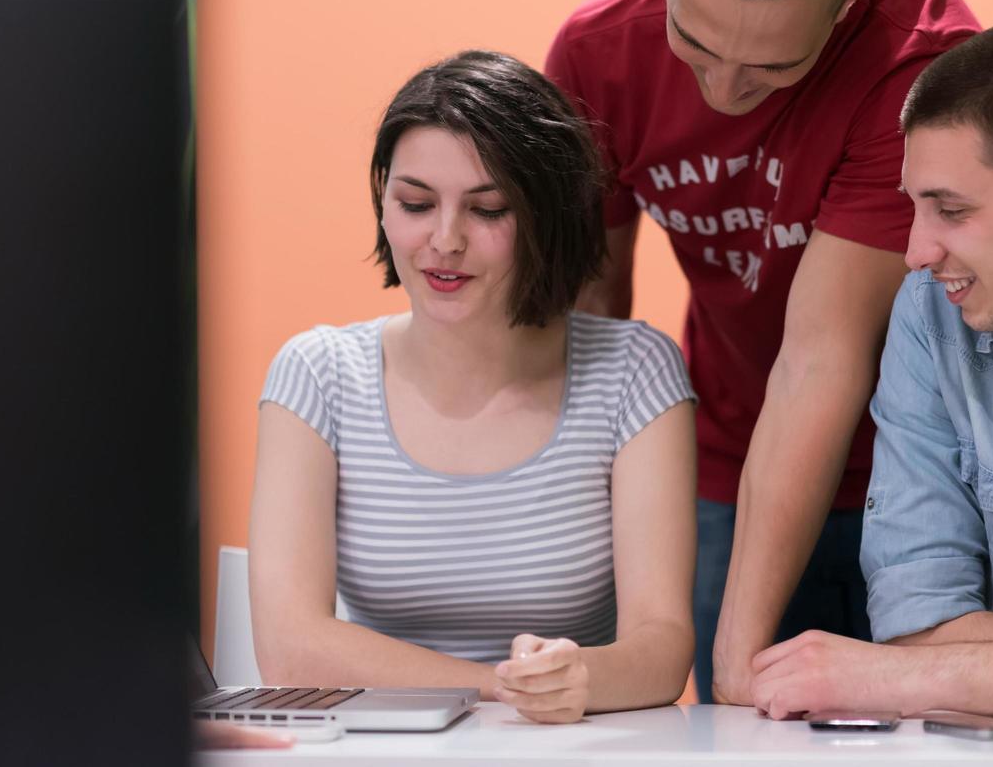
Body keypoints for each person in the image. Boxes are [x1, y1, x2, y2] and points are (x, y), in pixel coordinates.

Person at [544, 0, 980, 704]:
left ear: (848, 5)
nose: (724, 90)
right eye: (695, 42)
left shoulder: (916, 56)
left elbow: (822, 355)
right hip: (720, 459)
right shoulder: (595, 56)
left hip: (919, 473)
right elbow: (591, 314)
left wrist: (737, 666)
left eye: (773, 67)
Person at [248, 50, 697, 724]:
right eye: (415, 204)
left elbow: (662, 650)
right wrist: (502, 686)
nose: (444, 240)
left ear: (546, 216)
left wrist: (583, 678)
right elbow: (289, 650)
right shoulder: (317, 373)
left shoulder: (636, 371)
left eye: (487, 210)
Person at [748, 19, 993, 718]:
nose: (916, 251)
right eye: (915, 207)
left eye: (952, 211)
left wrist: (895, 679)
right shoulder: (929, 314)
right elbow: (917, 621)